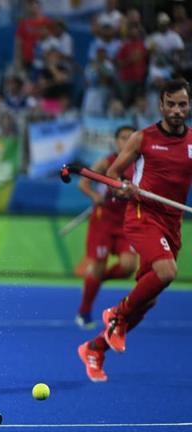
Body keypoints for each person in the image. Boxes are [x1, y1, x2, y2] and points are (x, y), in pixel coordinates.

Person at [78, 79, 192, 382]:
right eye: (172, 104)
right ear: (161, 105)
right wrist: (122, 189)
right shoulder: (143, 138)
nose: (178, 110)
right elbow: (113, 175)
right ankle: (115, 314)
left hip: (172, 222)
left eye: (183, 104)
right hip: (143, 214)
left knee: (148, 298)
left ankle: (94, 347)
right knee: (167, 272)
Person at [74, 126, 138, 329]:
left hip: (126, 222)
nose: (126, 141)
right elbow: (83, 184)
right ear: (116, 141)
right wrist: (95, 196)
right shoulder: (106, 162)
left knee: (128, 267)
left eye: (131, 138)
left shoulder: (140, 165)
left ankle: (98, 279)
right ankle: (84, 312)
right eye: (122, 138)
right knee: (98, 264)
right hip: (103, 221)